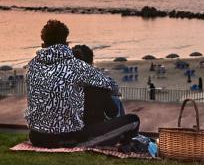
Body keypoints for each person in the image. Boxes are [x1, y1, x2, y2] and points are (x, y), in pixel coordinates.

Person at [26, 20, 139, 148]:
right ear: (66, 43)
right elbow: (111, 87)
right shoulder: (77, 66)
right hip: (68, 138)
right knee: (133, 120)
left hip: (37, 137)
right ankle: (123, 144)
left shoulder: (32, 66)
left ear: (43, 44)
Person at [71, 44, 126, 118]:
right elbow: (112, 112)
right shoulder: (98, 82)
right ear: (91, 63)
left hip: (67, 126)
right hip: (94, 125)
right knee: (116, 100)